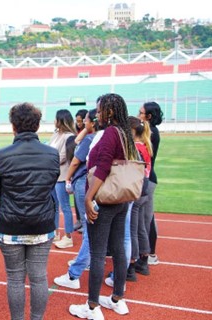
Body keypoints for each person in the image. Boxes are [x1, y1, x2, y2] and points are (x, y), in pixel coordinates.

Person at [69, 93, 139, 319]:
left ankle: (92, 307)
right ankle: (118, 299)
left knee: (98, 253)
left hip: (106, 199)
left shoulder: (110, 132)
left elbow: (103, 167)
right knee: (118, 248)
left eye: (99, 110)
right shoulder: (125, 133)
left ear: (109, 111)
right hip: (121, 200)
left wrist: (89, 197)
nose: (96, 114)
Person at [0, 102, 60, 320]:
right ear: (37, 125)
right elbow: (49, 187)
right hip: (42, 224)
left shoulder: (1, 155)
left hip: (10, 225)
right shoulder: (51, 154)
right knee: (39, 277)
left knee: (15, 278)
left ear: (13, 126)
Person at [54, 108, 99, 290]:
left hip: (83, 181)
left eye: (86, 121)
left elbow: (74, 159)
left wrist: (68, 178)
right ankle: (87, 261)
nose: (83, 124)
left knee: (89, 226)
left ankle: (76, 273)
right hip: (99, 183)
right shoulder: (105, 136)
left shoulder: (90, 138)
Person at [127, 116, 153, 281]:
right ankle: (143, 259)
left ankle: (131, 263)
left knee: (132, 229)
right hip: (145, 187)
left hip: (137, 189)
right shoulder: (145, 145)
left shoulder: (135, 148)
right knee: (140, 227)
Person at [138, 101, 163, 267]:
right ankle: (149, 253)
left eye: (141, 113)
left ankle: (149, 254)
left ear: (149, 116)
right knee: (147, 218)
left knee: (145, 219)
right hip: (149, 179)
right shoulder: (151, 131)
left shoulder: (151, 132)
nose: (138, 115)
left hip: (147, 180)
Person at [49, 109, 76, 248]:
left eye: (56, 118)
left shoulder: (69, 137)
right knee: (53, 206)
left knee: (65, 207)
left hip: (62, 176)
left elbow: (63, 156)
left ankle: (69, 236)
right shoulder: (55, 135)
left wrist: (48, 160)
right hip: (53, 176)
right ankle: (55, 232)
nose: (54, 121)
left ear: (61, 120)